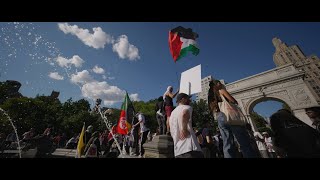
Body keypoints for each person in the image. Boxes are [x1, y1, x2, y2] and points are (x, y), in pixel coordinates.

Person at [211, 80, 259, 158]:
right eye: (220, 83)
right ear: (217, 84)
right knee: (243, 141)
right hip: (230, 116)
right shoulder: (221, 90)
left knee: (227, 143)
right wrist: (224, 89)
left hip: (220, 117)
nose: (221, 84)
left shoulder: (212, 96)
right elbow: (233, 101)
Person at [169, 93, 203, 158]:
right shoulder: (187, 107)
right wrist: (184, 129)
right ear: (183, 99)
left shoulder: (172, 113)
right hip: (189, 147)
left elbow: (168, 124)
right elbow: (184, 114)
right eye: (188, 98)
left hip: (178, 150)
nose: (190, 100)